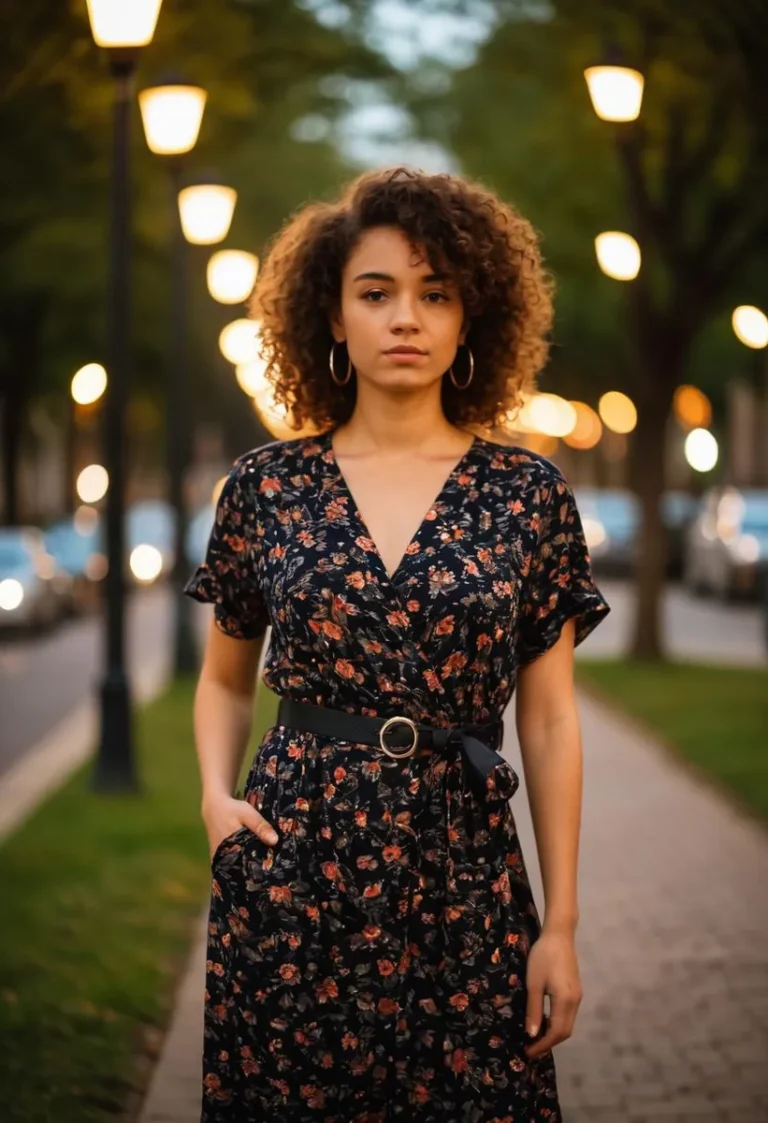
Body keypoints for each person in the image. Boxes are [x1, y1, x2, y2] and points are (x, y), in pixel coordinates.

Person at [184, 165, 611, 1123]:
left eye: (435, 294)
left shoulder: (526, 495)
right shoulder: (267, 487)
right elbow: (223, 680)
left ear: (471, 320)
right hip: (295, 861)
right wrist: (217, 800)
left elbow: (547, 720)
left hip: (466, 871)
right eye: (376, 294)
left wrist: (564, 923)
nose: (405, 318)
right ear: (333, 317)